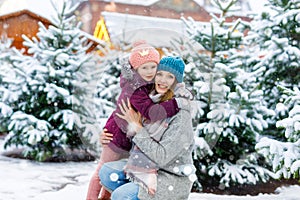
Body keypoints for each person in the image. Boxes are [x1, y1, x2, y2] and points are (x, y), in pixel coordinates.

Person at [86, 42, 186, 200]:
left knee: (110, 174)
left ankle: (105, 197)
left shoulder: (150, 86)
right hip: (117, 137)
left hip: (130, 140)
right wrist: (175, 104)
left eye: (153, 67)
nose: (150, 72)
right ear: (135, 69)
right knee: (102, 172)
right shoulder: (135, 88)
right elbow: (150, 112)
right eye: (144, 68)